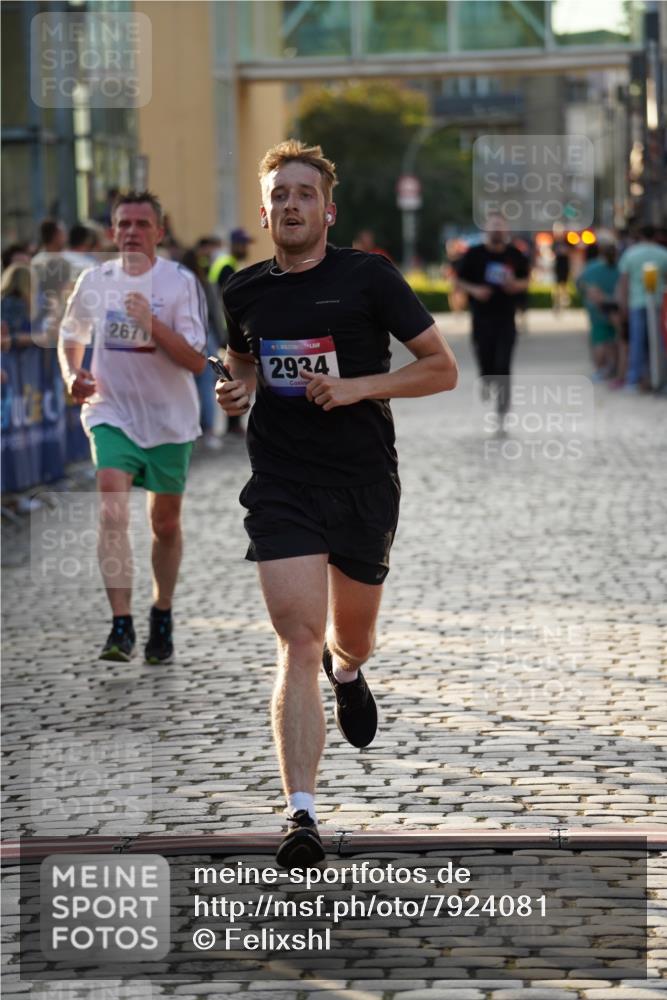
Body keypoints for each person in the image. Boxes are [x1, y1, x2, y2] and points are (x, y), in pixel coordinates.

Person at [215, 139, 458, 868]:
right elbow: (243, 360)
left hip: (361, 484)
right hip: (281, 483)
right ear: (263, 212)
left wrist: (358, 387)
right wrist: (239, 389)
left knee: (349, 638)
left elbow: (439, 369)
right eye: (278, 195)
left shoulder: (368, 278)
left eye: (303, 193)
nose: (291, 204)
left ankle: (347, 671)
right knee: (295, 637)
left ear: (327, 208)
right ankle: (300, 815)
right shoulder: (242, 289)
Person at [57, 190, 207, 663]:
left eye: (142, 224)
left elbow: (196, 360)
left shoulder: (180, 283)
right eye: (123, 224)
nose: (131, 232)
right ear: (112, 231)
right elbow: (70, 337)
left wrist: (152, 324)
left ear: (159, 232)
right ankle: (120, 624)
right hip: (111, 411)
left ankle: (161, 611)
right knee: (111, 505)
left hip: (169, 419)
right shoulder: (95, 280)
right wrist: (72, 375)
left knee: (165, 523)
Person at [455, 212, 529, 426]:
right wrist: (475, 290)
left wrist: (516, 285)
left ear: (506, 230)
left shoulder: (516, 254)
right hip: (481, 318)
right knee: (486, 360)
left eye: (500, 226)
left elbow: (526, 279)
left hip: (506, 318)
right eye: (493, 226)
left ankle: (503, 409)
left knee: (503, 363)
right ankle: (486, 380)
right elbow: (459, 281)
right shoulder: (474, 254)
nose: (497, 230)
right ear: (486, 230)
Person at [208, 228, 255, 435]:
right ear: (236, 244)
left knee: (232, 373)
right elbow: (227, 301)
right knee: (230, 372)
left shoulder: (230, 264)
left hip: (227, 325)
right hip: (226, 326)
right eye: (243, 244)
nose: (246, 248)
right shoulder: (226, 266)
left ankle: (233, 424)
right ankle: (233, 423)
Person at [181, 246, 227, 450]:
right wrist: (222, 339)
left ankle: (190, 428)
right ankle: (207, 430)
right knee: (206, 384)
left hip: (182, 336)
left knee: (185, 384)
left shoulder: (179, 284)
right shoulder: (204, 283)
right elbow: (215, 313)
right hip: (205, 335)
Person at [616, 224, 667, 391]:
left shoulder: (631, 254)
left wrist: (623, 304)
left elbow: (624, 281)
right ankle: (660, 376)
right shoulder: (662, 253)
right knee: (659, 341)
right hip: (659, 302)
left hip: (636, 302)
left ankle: (634, 379)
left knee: (636, 341)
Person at [576, 243, 619, 381]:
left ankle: (601, 368)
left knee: (599, 339)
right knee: (614, 338)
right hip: (616, 308)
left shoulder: (592, 267)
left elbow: (580, 284)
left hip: (597, 309)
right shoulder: (619, 267)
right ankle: (613, 367)